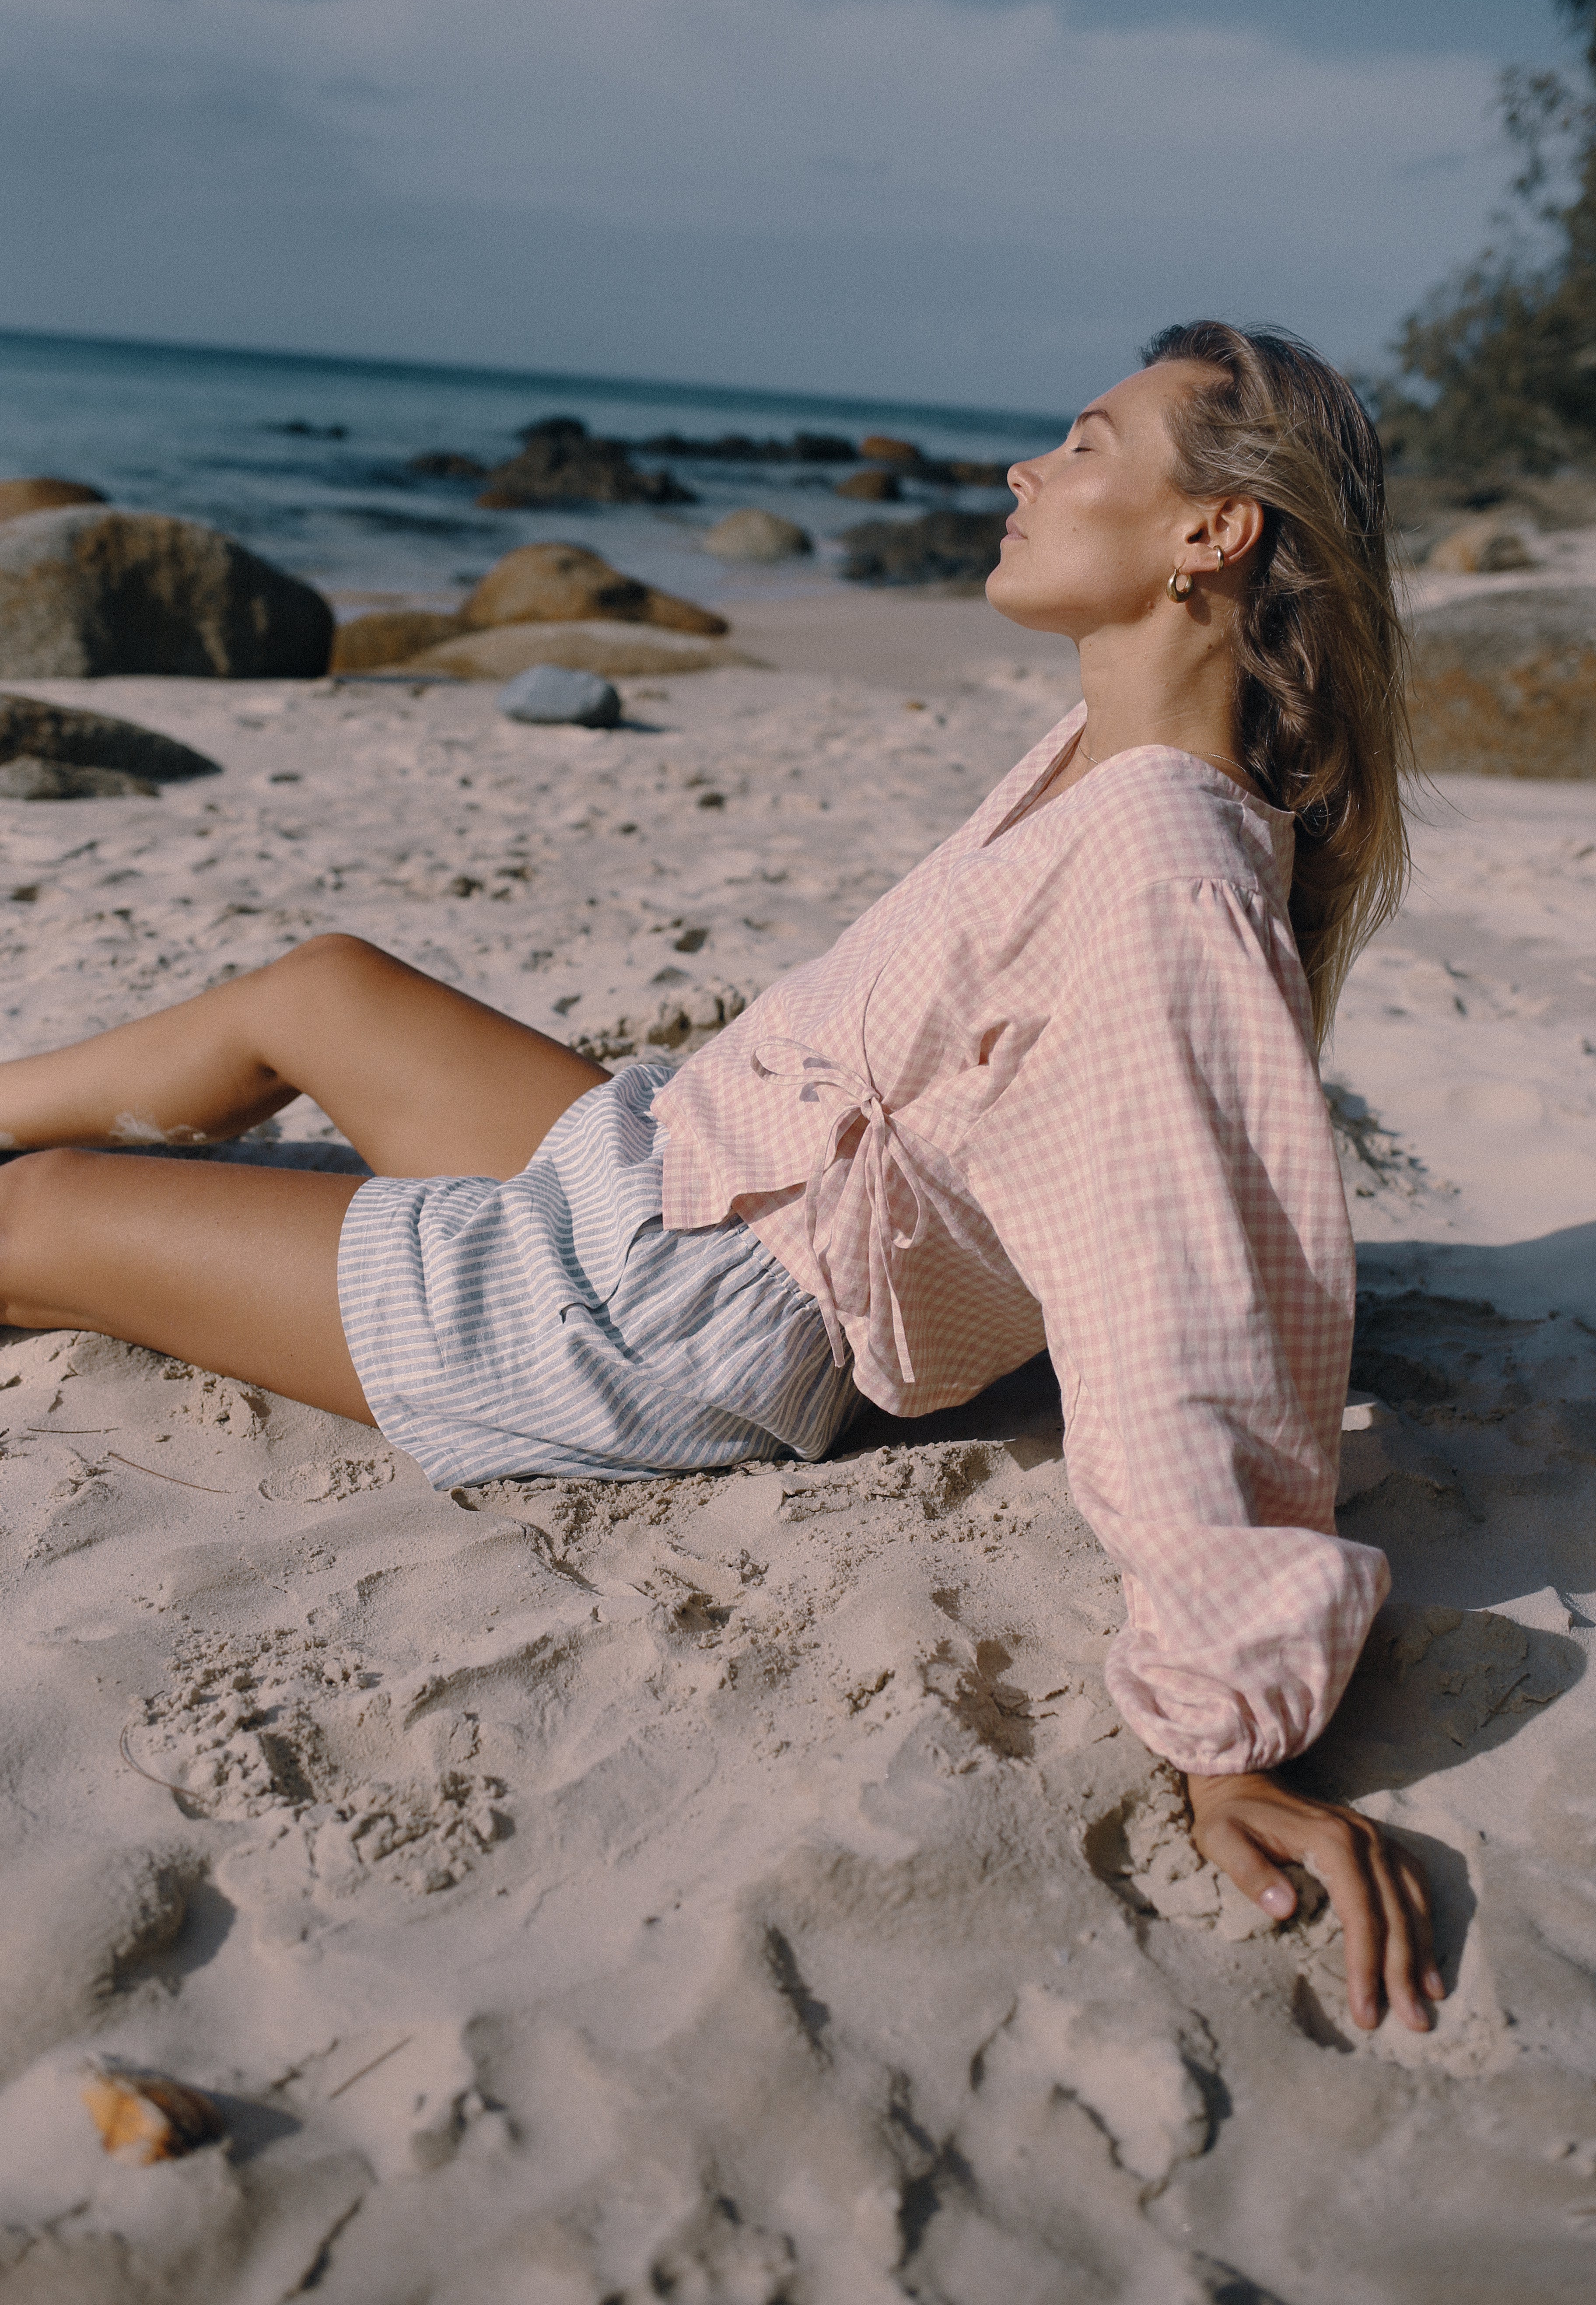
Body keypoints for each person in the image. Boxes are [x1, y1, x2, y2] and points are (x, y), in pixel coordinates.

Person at [0, 320, 1441, 2033]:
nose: (1020, 472)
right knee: (321, 986)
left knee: (39, 1217)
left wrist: (1233, 1726)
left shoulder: (1162, 867)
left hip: (669, 1310)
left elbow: (1193, 1295)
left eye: (1082, 442)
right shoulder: (1105, 776)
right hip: (674, 1158)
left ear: (1216, 534)